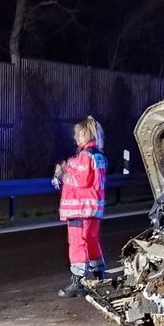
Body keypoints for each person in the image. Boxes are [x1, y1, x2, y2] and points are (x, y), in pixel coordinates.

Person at [53, 116, 107, 297]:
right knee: (91, 242)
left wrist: (62, 175)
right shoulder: (97, 156)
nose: (75, 138)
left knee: (77, 243)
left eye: (78, 134)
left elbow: (81, 181)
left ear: (86, 134)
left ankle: (78, 282)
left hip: (80, 210)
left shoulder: (84, 157)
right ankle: (100, 277)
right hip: (92, 210)